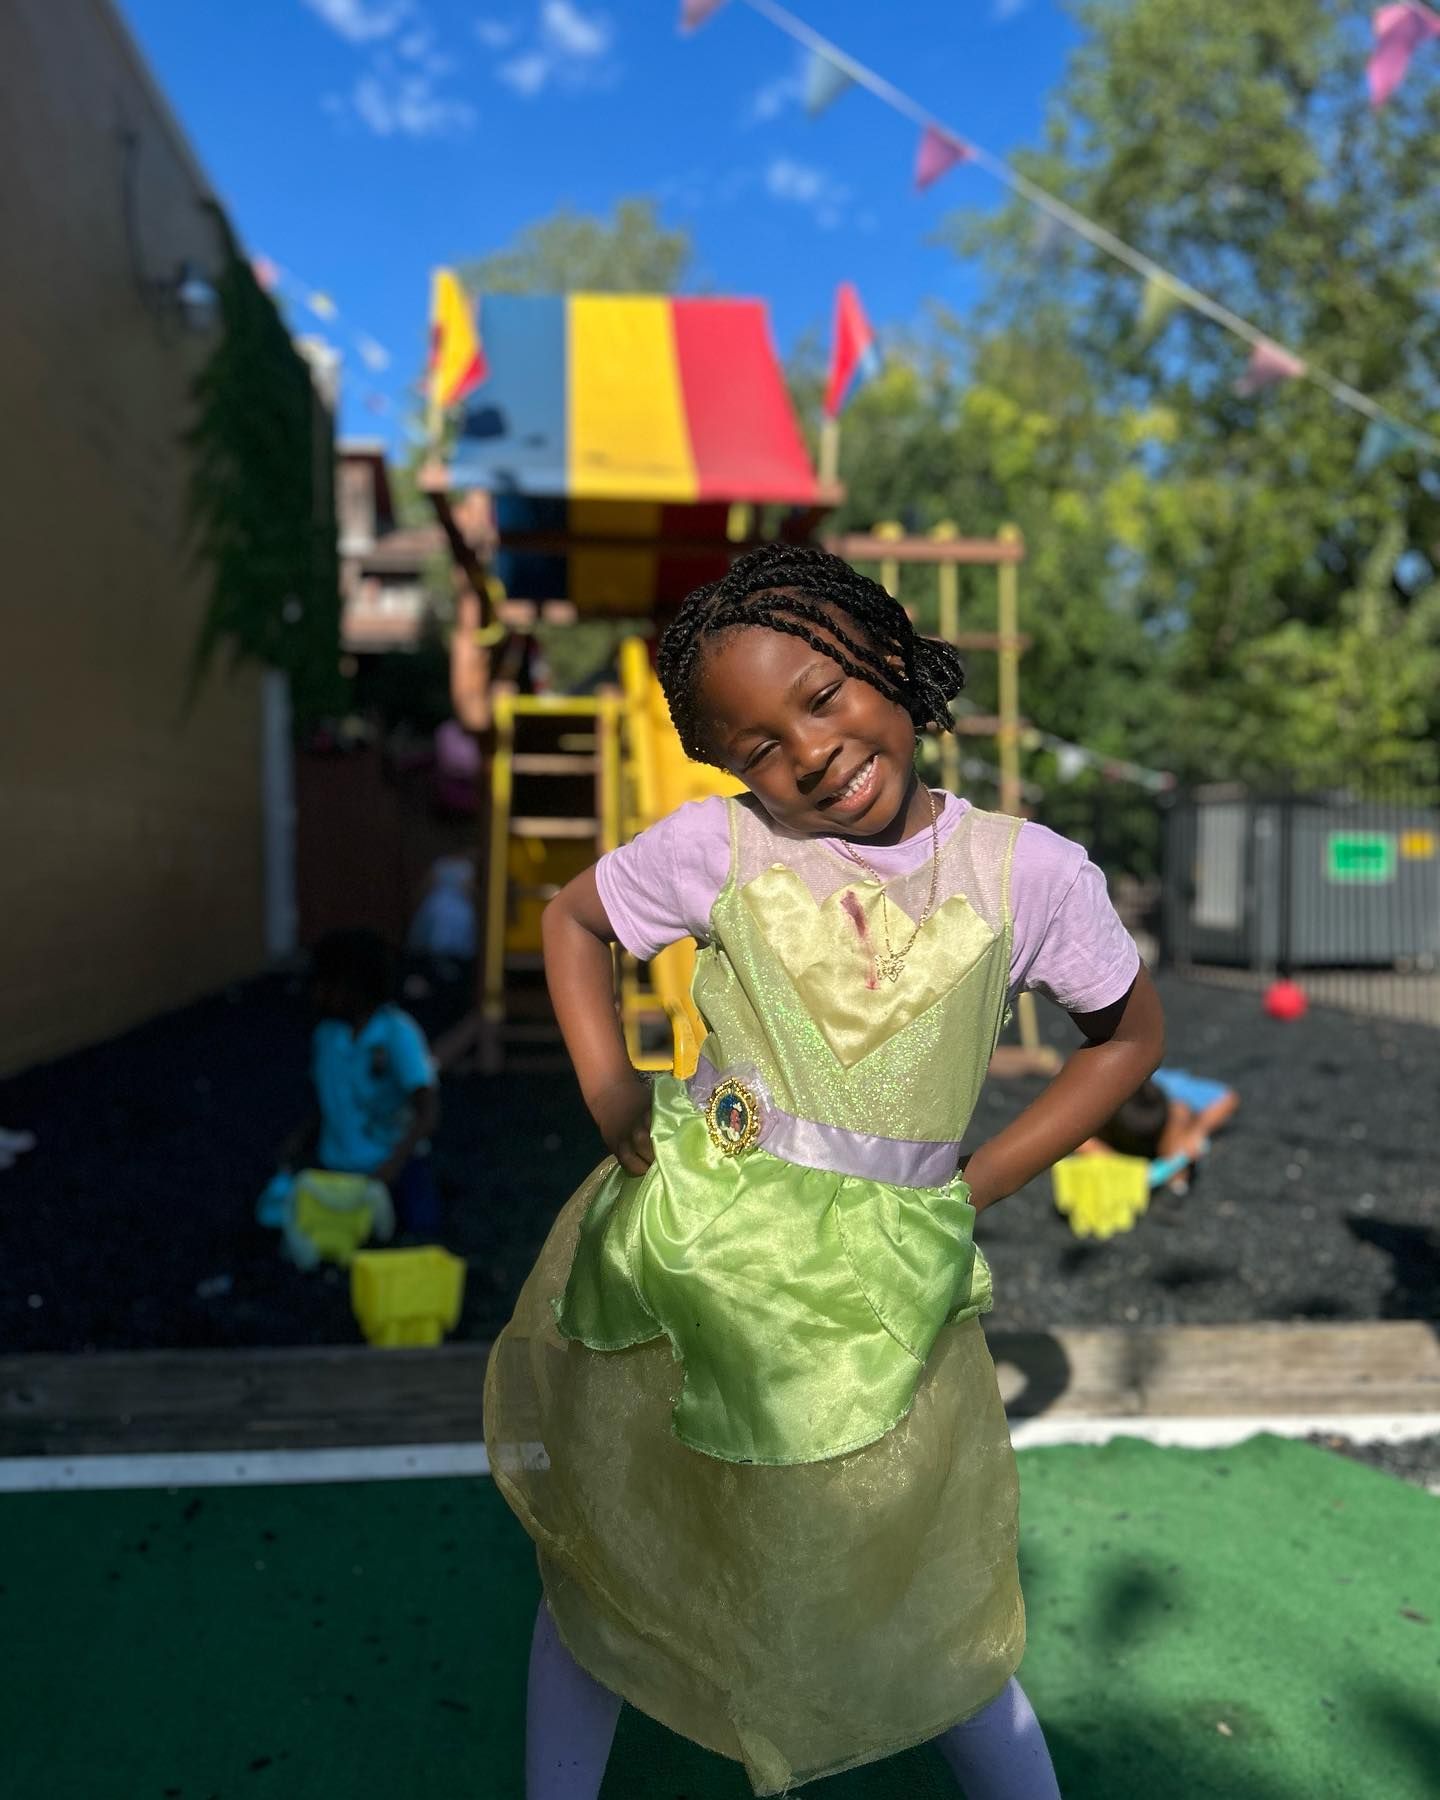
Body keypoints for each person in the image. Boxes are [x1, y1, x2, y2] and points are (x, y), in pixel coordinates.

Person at [485, 544, 1165, 1799]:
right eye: (754, 746)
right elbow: (572, 921)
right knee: (614, 1556)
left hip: (876, 1281)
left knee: (921, 1573)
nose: (804, 750)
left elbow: (1129, 1039)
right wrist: (606, 1078)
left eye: (824, 693)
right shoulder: (722, 849)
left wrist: (979, 1179)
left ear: (893, 661)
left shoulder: (1028, 872)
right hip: (691, 1249)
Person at [278, 929, 441, 1235]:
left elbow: (428, 1111)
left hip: (391, 1168)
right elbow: (331, 1100)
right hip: (338, 1167)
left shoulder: (396, 1033)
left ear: (355, 987)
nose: (317, 995)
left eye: (326, 986)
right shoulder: (327, 1036)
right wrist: (301, 1139)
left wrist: (392, 1166)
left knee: (414, 1229)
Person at [1078, 1068, 1239, 1195]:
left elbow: (1227, 1098)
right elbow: (1077, 1136)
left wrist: (1196, 1132)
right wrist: (1118, 1164)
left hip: (1171, 1123)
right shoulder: (1097, 1100)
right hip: (1117, 1137)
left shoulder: (1168, 1087)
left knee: (1180, 1112)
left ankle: (1176, 1179)